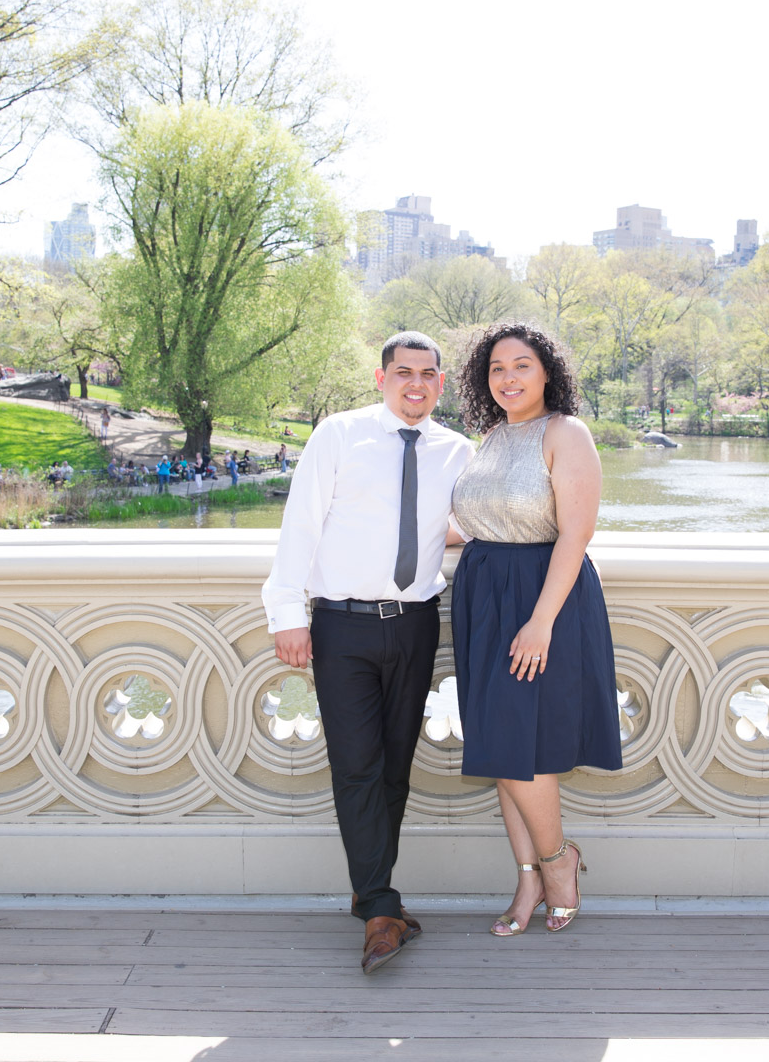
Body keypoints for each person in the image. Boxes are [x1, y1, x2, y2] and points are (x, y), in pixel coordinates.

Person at [262, 331, 473, 974]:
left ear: (440, 384)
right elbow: (301, 524)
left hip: (415, 624)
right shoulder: (339, 435)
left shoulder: (457, 451)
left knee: (395, 769)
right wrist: (287, 612)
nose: (416, 384)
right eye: (403, 372)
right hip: (342, 627)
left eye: (427, 374)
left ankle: (370, 889)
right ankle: (380, 911)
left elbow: (465, 522)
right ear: (382, 379)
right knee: (356, 766)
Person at [450, 322, 621, 937]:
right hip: (484, 597)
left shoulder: (566, 433)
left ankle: (557, 861)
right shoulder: (491, 438)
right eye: (497, 368)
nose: (508, 378)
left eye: (521, 365)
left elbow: (577, 532)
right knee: (501, 744)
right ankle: (528, 878)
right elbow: (473, 522)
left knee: (524, 745)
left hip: (542, 598)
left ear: (547, 371)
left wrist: (541, 621)